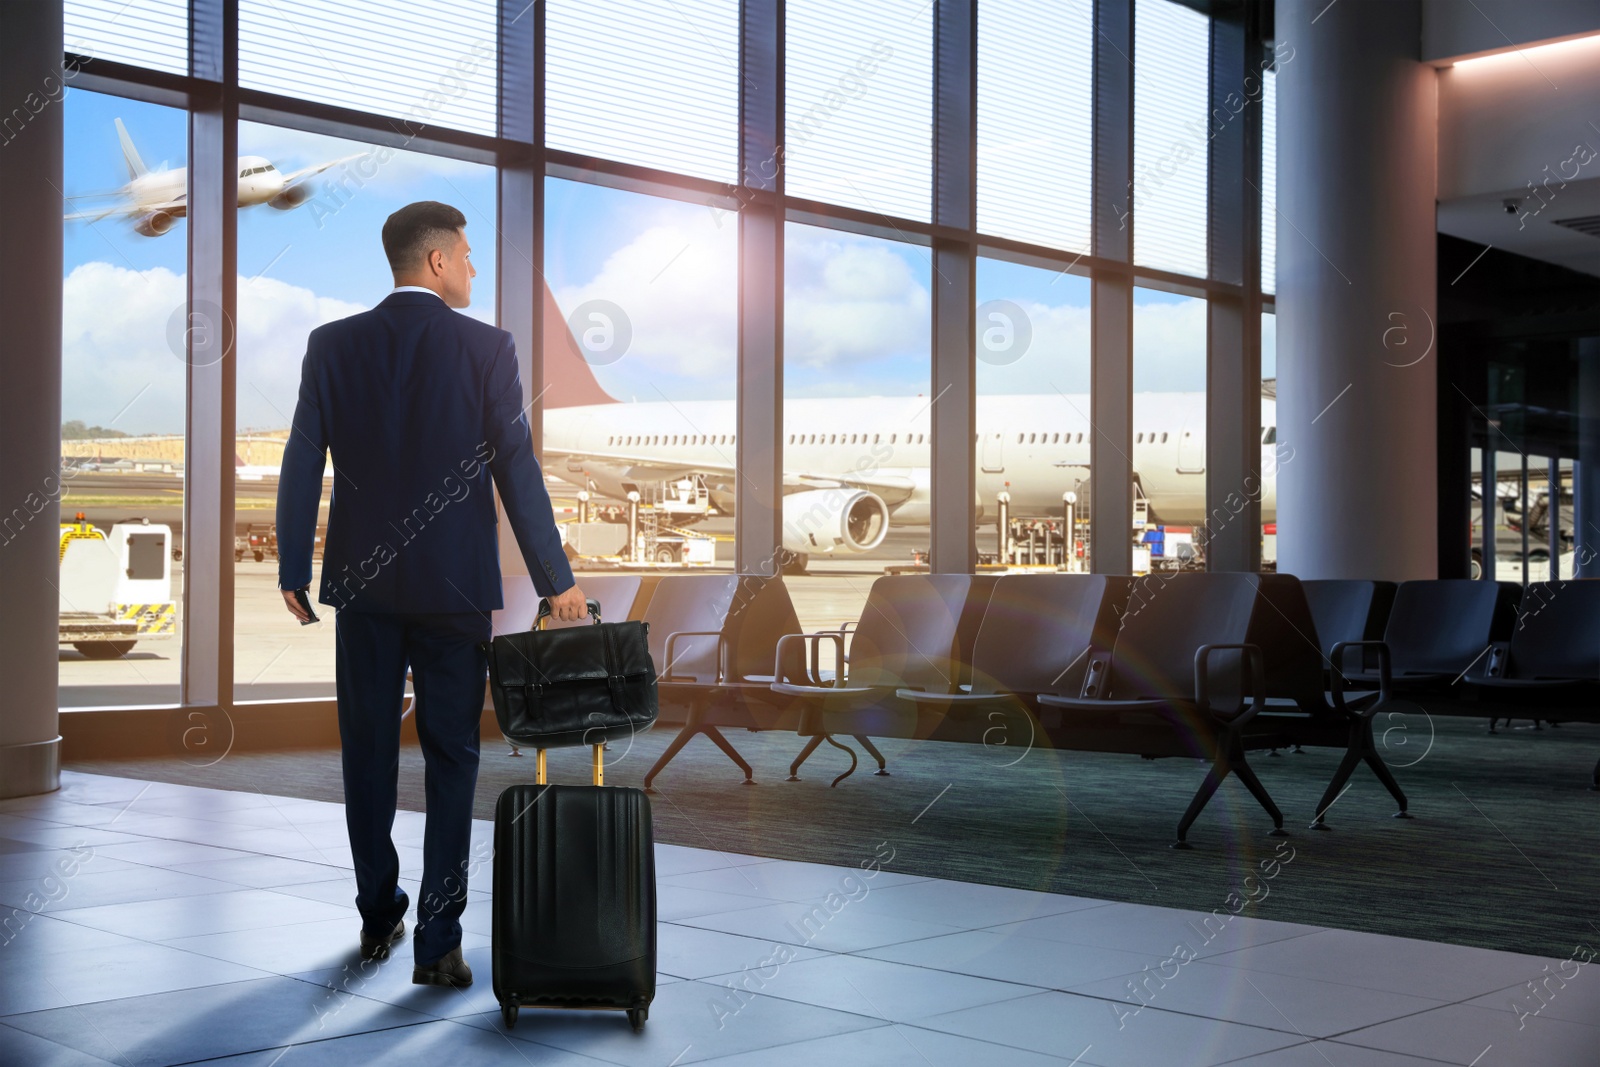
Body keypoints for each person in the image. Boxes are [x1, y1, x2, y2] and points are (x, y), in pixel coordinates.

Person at [275, 200, 586, 987]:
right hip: (455, 594)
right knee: (453, 759)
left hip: (366, 589)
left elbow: (302, 456)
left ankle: (379, 913)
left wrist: (291, 568)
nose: (475, 271)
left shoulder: (331, 344)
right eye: (468, 257)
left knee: (368, 756)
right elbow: (516, 466)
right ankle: (436, 941)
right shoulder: (487, 348)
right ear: (438, 261)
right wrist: (559, 581)